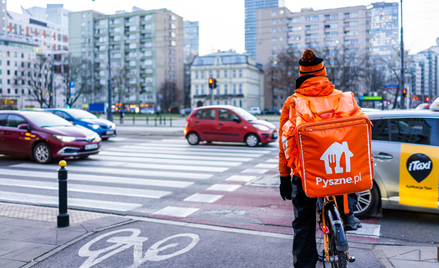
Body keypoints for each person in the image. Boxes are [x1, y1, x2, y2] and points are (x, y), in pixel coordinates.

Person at [278, 48, 362, 268]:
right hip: (340, 171)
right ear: (324, 76)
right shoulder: (344, 99)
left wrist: (284, 177)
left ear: (302, 78)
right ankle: (347, 214)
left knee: (303, 225)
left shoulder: (293, 102)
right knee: (344, 181)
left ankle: (305, 264)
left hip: (306, 175)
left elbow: (284, 145)